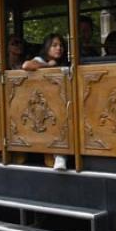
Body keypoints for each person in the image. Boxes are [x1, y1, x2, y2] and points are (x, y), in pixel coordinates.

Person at [22, 33, 69, 171]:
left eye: (61, 45)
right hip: (44, 103)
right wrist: (48, 66)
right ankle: (60, 156)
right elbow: (27, 65)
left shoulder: (65, 61)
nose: (58, 48)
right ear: (47, 47)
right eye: (54, 45)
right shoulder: (41, 60)